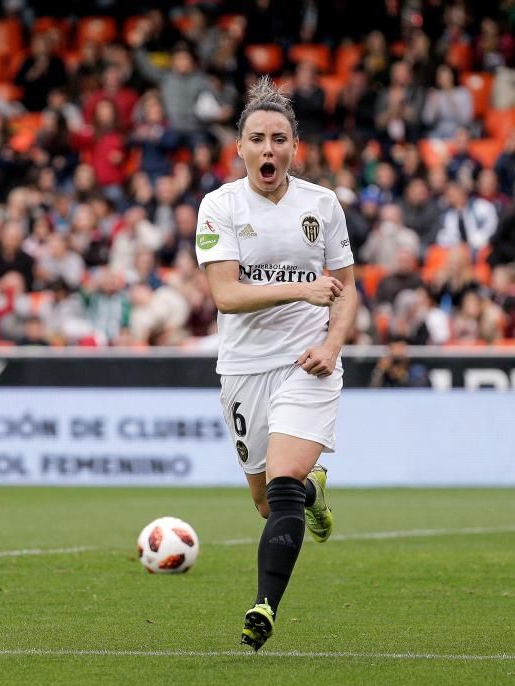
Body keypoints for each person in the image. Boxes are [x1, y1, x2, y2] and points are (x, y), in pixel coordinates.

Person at [195, 78, 357, 651]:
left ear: (295, 146)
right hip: (243, 369)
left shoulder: (321, 204)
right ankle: (314, 495)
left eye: (280, 139)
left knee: (281, 485)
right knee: (269, 502)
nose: (269, 150)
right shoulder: (219, 206)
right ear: (239, 147)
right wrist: (301, 291)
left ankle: (263, 606)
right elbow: (226, 295)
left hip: (306, 363)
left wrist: (332, 346)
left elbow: (347, 290)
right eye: (258, 139)